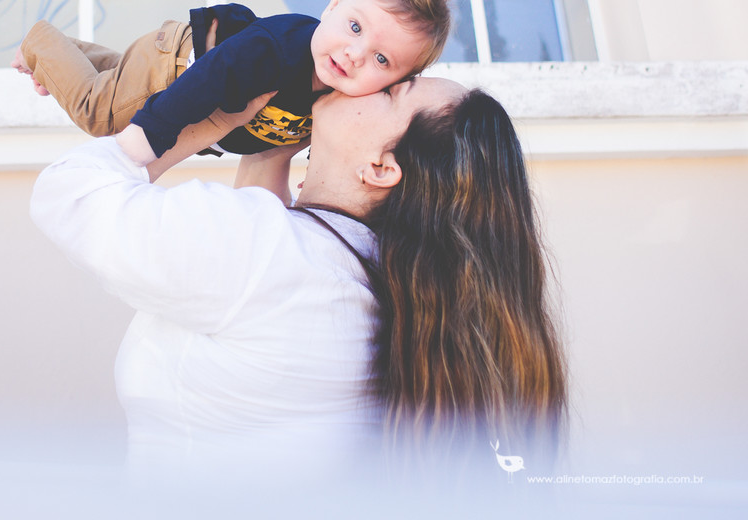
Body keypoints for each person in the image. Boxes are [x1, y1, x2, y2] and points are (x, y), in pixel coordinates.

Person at [29, 77, 566, 483]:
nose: (366, 75)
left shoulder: (268, 253)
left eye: (390, 88)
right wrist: (271, 147)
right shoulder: (384, 283)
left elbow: (69, 194)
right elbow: (261, 275)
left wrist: (194, 117)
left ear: (381, 167)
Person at [12, 0, 450, 161]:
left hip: (175, 73)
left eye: (381, 58)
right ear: (334, 3)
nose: (355, 54)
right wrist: (149, 136)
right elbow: (209, 80)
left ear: (400, 81)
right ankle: (41, 44)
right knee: (102, 114)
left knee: (118, 83)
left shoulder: (346, 97)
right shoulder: (280, 48)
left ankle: (67, 56)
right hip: (182, 68)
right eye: (355, 27)